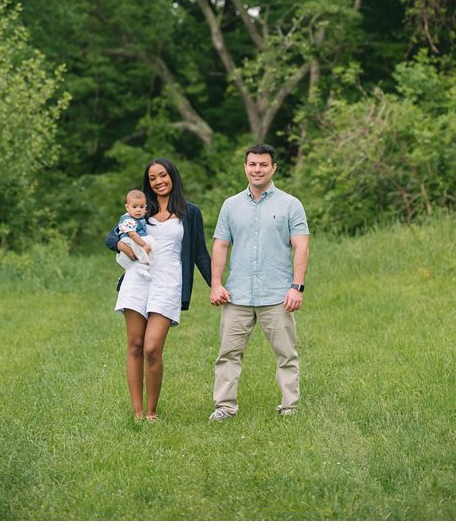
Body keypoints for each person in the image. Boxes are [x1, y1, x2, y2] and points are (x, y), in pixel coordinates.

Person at [104, 157, 213, 423]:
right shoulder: (142, 209)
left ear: (172, 176)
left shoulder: (190, 212)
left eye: (162, 175)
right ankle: (139, 414)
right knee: (135, 345)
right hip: (138, 279)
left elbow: (200, 254)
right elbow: (111, 236)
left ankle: (153, 411)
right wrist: (123, 246)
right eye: (152, 178)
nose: (158, 181)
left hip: (168, 281)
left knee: (152, 348)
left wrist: (217, 285)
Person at [209, 143, 310, 421]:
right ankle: (225, 407)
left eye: (263, 164)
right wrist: (216, 284)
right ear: (245, 167)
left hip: (277, 294)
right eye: (252, 164)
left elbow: (301, 247)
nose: (257, 169)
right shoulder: (230, 205)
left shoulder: (290, 204)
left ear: (273, 168)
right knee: (228, 354)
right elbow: (220, 245)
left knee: (286, 354)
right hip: (237, 294)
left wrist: (296, 286)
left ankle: (290, 406)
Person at [113, 188, 154, 271]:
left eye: (141, 207)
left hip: (136, 239)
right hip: (128, 240)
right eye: (134, 207)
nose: (138, 210)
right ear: (127, 207)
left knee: (150, 241)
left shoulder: (140, 218)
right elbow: (133, 235)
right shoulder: (128, 220)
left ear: (145, 208)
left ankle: (147, 261)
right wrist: (144, 245)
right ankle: (143, 263)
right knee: (140, 244)